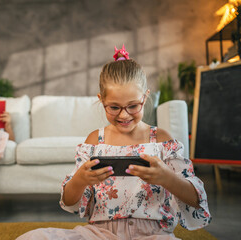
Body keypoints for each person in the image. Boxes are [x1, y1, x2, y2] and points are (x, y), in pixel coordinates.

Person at [16, 45, 211, 239]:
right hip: (100, 234)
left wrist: (167, 178)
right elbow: (68, 201)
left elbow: (196, 199)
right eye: (114, 107)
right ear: (102, 101)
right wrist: (80, 180)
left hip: (153, 234)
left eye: (133, 106)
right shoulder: (94, 141)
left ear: (145, 97)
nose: (124, 115)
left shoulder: (162, 140)